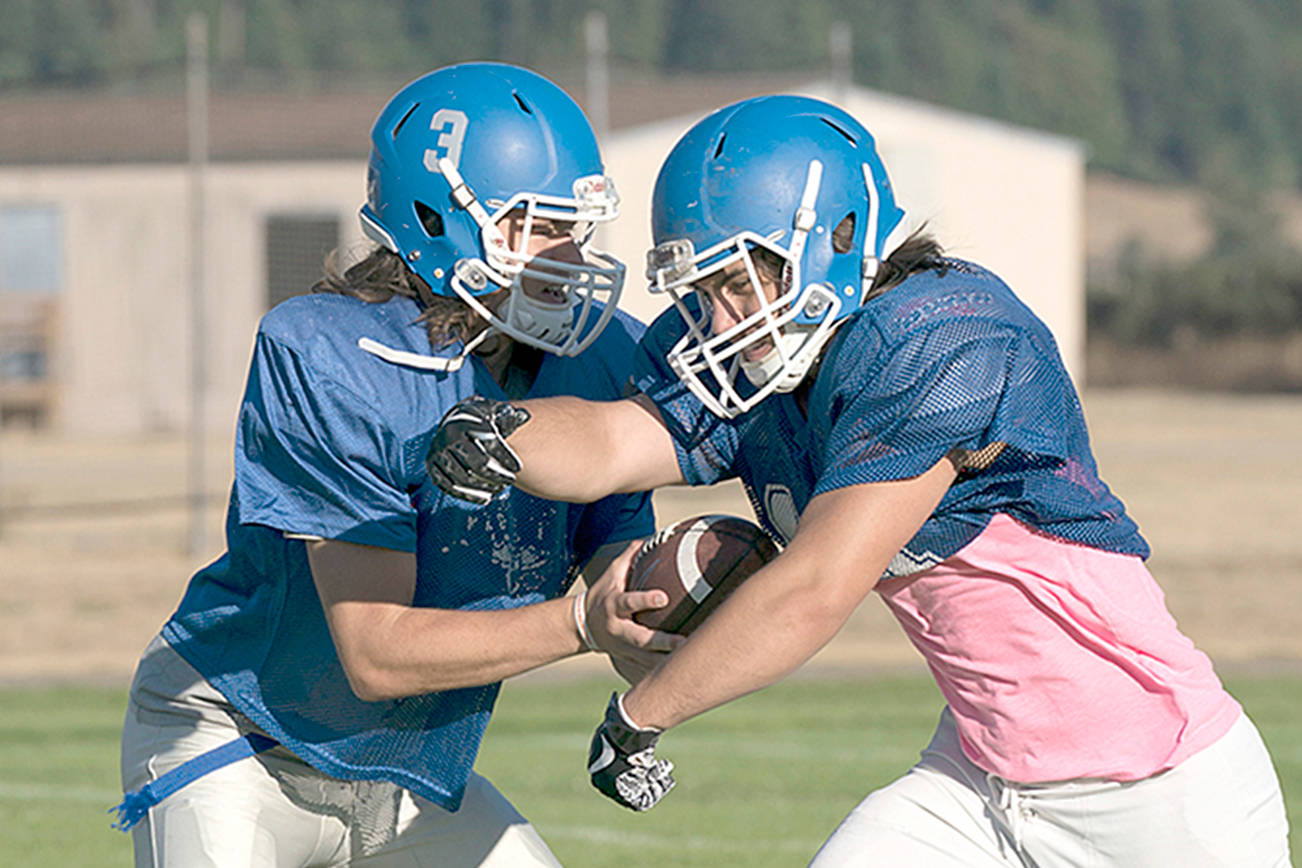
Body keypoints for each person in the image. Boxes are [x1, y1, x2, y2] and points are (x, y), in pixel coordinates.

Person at [425, 94, 1292, 866]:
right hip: (980, 782)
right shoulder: (771, 364)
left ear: (837, 237)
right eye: (700, 290)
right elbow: (620, 439)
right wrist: (501, 434)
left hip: (1162, 789)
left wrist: (642, 714)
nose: (719, 320)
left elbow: (817, 585)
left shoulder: (939, 336)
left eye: (736, 281)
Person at [115, 62, 681, 868]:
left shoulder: (601, 353)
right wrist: (579, 623)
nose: (566, 256)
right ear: (434, 216)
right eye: (533, 226)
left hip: (401, 771)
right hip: (239, 740)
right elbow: (375, 653)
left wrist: (674, 605)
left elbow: (611, 587)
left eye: (574, 227)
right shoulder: (331, 354)